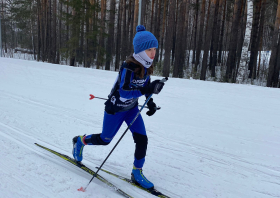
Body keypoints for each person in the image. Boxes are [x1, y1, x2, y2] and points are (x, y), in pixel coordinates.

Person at [72, 25, 165, 190]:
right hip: (115, 109)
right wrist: (147, 90)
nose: (153, 53)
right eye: (150, 49)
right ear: (141, 50)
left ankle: (137, 172)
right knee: (104, 140)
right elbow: (124, 92)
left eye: (155, 49)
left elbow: (146, 86)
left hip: (131, 110)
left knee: (142, 139)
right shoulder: (128, 67)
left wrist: (150, 103)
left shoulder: (147, 67)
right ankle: (80, 141)